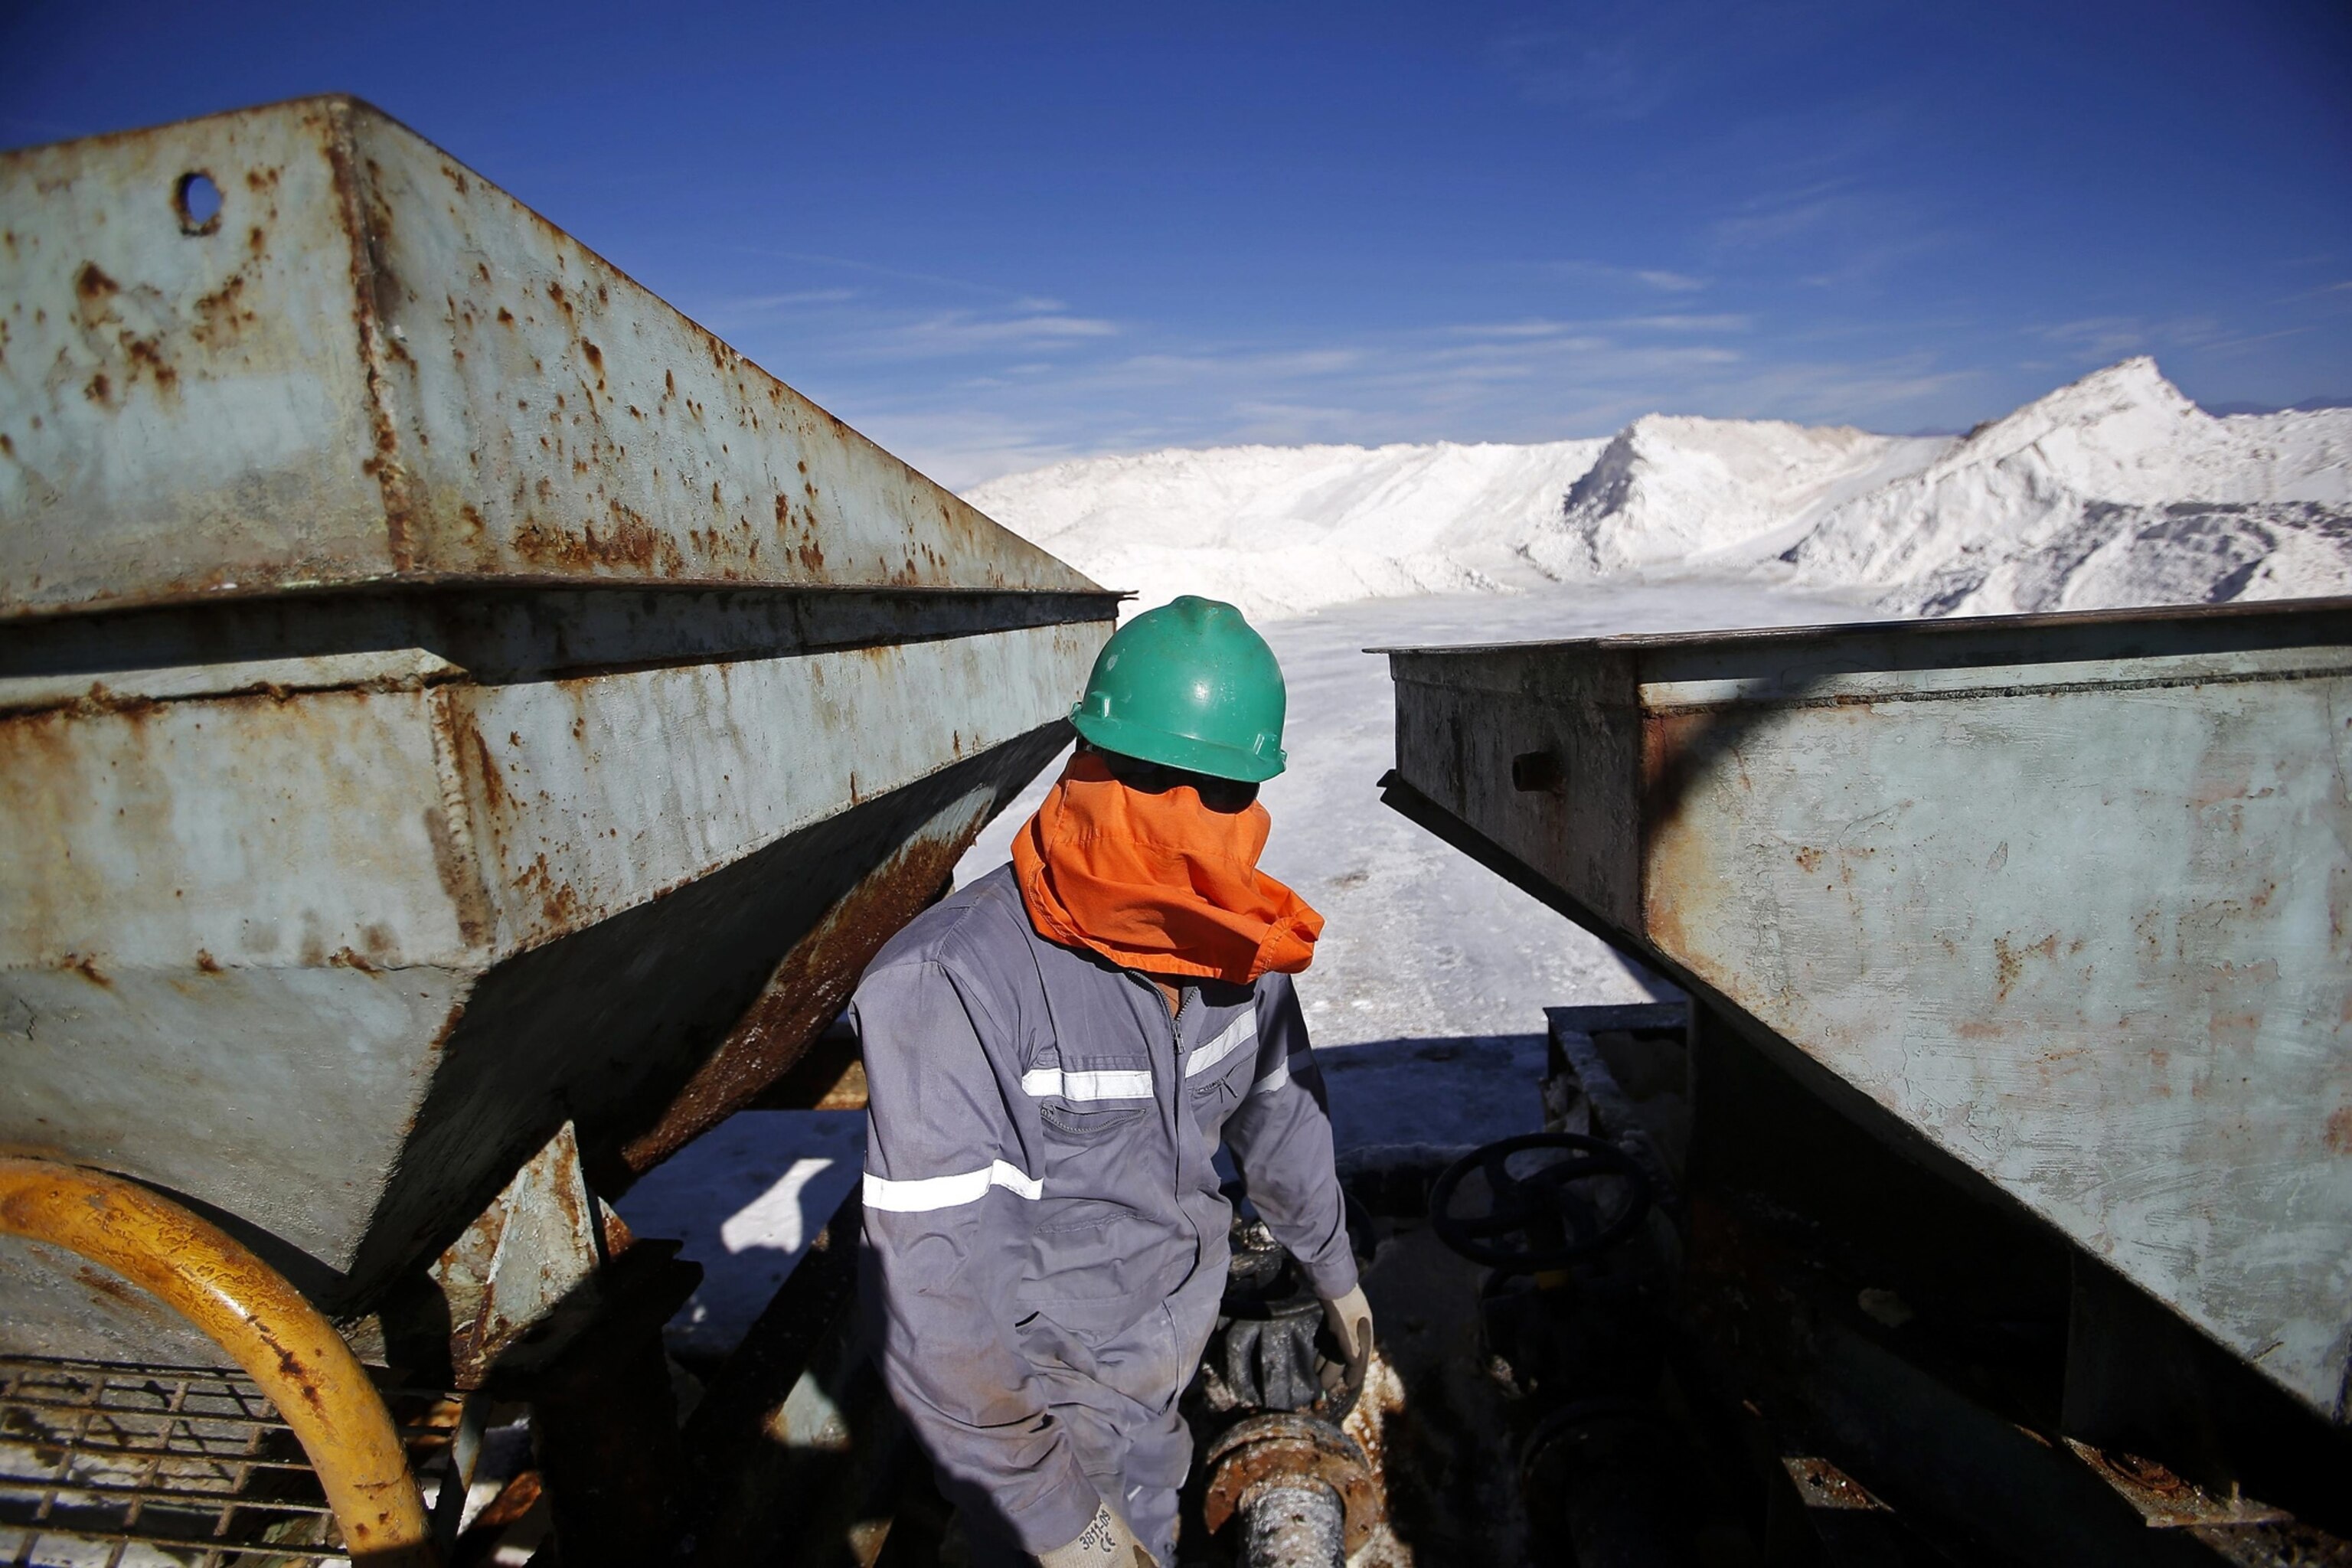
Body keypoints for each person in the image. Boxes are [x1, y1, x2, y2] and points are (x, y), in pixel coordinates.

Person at [850, 596, 1372, 1566]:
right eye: (1150, 775)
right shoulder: (953, 983)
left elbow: (1276, 1112)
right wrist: (1056, 1515)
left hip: (1166, 1364)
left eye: (1222, 789)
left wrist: (1332, 1262)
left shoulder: (1233, 944)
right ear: (1087, 759)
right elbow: (941, 1295)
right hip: (1047, 1414)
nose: (1189, 813)